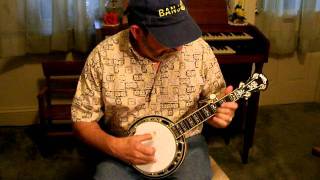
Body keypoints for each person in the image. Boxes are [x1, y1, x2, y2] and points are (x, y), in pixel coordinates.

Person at [71, 0, 238, 179]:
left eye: (181, 31)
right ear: (137, 32)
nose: (180, 46)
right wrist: (115, 146)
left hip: (186, 140)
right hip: (125, 143)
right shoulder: (103, 57)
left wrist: (218, 113)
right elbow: (82, 119)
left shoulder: (199, 49)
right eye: (167, 37)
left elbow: (214, 97)